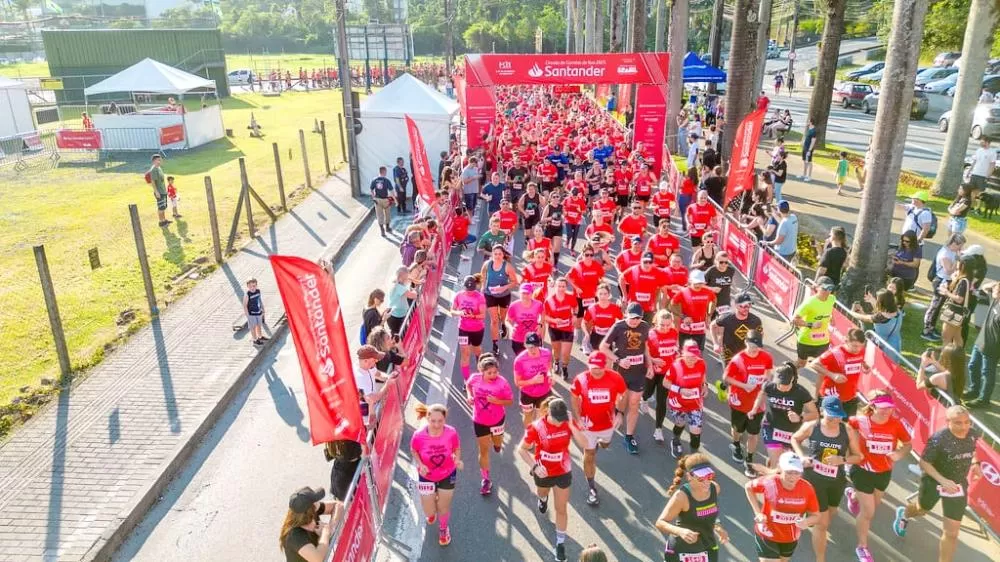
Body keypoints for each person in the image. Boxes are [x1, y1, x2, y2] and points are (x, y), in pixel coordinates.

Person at [892, 405, 983, 562]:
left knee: (952, 533)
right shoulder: (939, 439)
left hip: (957, 486)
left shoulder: (972, 434)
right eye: (958, 423)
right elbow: (924, 463)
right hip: (933, 481)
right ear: (948, 422)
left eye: (967, 422)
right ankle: (905, 513)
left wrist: (975, 464)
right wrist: (942, 480)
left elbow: (974, 449)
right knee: (921, 510)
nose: (964, 427)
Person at [790, 396, 863, 562]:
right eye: (831, 417)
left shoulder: (847, 430)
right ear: (822, 412)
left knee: (832, 511)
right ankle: (820, 558)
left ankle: (807, 518)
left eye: (838, 416)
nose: (835, 420)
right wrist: (801, 456)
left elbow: (858, 456)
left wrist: (842, 460)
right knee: (822, 524)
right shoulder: (812, 426)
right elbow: (795, 438)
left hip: (836, 480)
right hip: (814, 479)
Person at [844, 390, 912, 562]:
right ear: (872, 406)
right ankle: (862, 547)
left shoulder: (896, 424)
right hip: (862, 471)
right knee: (868, 513)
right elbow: (842, 431)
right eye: (882, 408)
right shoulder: (858, 421)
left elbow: (908, 444)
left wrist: (899, 454)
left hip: (884, 472)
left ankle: (853, 496)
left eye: (889, 408)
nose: (886, 411)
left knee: (873, 505)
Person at [518, 397, 583, 562]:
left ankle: (560, 544)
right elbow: (522, 449)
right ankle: (542, 498)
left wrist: (572, 426)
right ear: (547, 413)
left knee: (561, 509)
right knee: (542, 493)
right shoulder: (536, 427)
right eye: (556, 420)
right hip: (543, 473)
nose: (559, 424)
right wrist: (534, 467)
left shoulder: (566, 423)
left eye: (562, 420)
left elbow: (585, 443)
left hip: (563, 471)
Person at [570, 351, 627, 506]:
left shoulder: (615, 378)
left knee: (605, 444)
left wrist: (620, 413)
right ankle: (592, 487)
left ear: (606, 366)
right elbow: (574, 396)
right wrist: (577, 417)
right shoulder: (581, 379)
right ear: (588, 365)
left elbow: (623, 394)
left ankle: (600, 444)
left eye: (599, 368)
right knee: (589, 454)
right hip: (587, 425)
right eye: (593, 367)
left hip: (607, 424)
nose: (596, 370)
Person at [744, 452, 820, 562]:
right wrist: (758, 513)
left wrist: (806, 522)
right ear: (780, 468)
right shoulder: (769, 482)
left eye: (797, 472)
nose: (793, 477)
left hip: (790, 537)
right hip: (767, 533)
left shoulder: (807, 488)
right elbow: (748, 487)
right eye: (789, 472)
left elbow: (816, 516)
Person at [600, 302, 654, 455]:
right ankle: (618, 413)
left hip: (638, 372)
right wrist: (618, 360)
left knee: (634, 402)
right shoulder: (618, 326)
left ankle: (629, 436)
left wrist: (649, 366)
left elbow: (645, 347)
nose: (634, 321)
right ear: (626, 315)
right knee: (621, 399)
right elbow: (603, 347)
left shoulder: (644, 327)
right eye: (631, 318)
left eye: (637, 318)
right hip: (621, 372)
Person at [655, 454, 729, 562]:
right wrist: (681, 532)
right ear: (689, 477)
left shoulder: (715, 488)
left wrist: (718, 526)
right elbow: (660, 523)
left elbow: (712, 511)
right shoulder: (682, 496)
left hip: (707, 546)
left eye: (709, 476)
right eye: (701, 478)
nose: (706, 481)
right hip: (681, 550)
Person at [410, 403, 462, 546]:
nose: (437, 424)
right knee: (429, 512)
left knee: (443, 506)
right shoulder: (418, 435)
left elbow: (457, 448)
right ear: (427, 418)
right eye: (433, 421)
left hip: (447, 473)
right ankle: (432, 512)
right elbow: (414, 450)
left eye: (440, 421)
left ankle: (443, 529)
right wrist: (421, 464)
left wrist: (457, 460)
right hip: (426, 476)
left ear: (445, 419)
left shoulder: (451, 432)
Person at [751, 362, 818, 471]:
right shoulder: (769, 386)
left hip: (791, 433)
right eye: (780, 384)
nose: (782, 387)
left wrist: (800, 418)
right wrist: (754, 410)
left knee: (784, 462)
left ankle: (772, 463)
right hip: (771, 427)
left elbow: (815, 414)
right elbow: (761, 395)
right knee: (777, 465)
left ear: (792, 380)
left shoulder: (801, 392)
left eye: (786, 384)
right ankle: (772, 478)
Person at [725, 330, 773, 476]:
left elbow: (769, 371)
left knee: (753, 433)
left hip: (757, 404)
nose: (755, 349)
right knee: (737, 429)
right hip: (739, 401)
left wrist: (767, 379)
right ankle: (736, 444)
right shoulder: (738, 359)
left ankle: (749, 459)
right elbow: (726, 378)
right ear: (746, 342)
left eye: (757, 346)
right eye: (752, 345)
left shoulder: (766, 356)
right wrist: (744, 385)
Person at [466, 354, 513, 497]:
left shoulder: (502, 383)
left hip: (497, 419)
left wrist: (496, 401)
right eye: (489, 373)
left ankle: (498, 443)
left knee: (497, 443)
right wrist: (469, 396)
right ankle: (486, 480)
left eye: (495, 372)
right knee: (484, 450)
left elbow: (509, 401)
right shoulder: (474, 379)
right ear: (482, 371)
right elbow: (468, 385)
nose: (493, 375)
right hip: (480, 421)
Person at [808, 328, 869, 416]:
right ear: (846, 341)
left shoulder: (861, 351)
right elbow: (814, 364)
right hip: (832, 396)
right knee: (829, 425)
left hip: (850, 395)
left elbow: (860, 360)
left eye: (861, 346)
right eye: (855, 346)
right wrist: (832, 375)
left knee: (848, 426)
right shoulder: (835, 353)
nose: (858, 349)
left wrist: (864, 366)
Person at [666, 339, 709, 459]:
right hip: (677, 402)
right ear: (683, 354)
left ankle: (694, 455)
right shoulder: (676, 365)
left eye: (695, 356)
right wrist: (680, 390)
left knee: (696, 430)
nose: (692, 360)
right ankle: (675, 440)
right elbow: (665, 383)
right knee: (680, 423)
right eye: (689, 357)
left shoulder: (701, 363)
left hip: (695, 402)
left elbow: (703, 376)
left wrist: (705, 386)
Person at [279, 487, 344, 562]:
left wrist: (331, 526)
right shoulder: (293, 536)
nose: (318, 502)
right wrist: (325, 533)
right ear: (309, 510)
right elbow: (318, 558)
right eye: (315, 501)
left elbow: (338, 506)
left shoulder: (312, 511)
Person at [922, 233, 967, 342]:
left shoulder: (950, 251)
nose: (961, 248)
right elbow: (948, 270)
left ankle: (931, 327)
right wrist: (957, 260)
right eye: (960, 245)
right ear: (954, 243)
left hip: (946, 281)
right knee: (935, 306)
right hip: (941, 282)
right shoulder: (945, 254)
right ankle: (926, 330)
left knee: (938, 306)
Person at [645, 310, 679, 442]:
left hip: (667, 373)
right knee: (647, 392)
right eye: (662, 325)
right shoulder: (650, 334)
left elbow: (675, 349)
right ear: (655, 323)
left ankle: (658, 429)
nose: (665, 328)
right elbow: (644, 352)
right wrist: (653, 361)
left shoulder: (674, 332)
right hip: (652, 371)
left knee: (661, 401)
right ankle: (644, 400)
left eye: (668, 325)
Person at [965, 281, 999, 408]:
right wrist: (996, 284)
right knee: (973, 365)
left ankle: (984, 399)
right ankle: (974, 390)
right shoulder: (994, 299)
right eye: (995, 290)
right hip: (980, 341)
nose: (995, 292)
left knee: (987, 373)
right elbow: (985, 287)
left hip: (992, 347)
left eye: (998, 291)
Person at [480, 244, 519, 355]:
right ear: (492, 254)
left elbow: (514, 282)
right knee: (494, 320)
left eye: (499, 254)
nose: (497, 256)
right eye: (495, 254)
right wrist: (483, 285)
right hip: (490, 294)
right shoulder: (487, 264)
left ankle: (503, 325)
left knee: (502, 318)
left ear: (503, 255)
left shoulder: (507, 267)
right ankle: (495, 345)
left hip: (504, 296)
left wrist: (503, 288)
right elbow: (482, 274)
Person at [792, 276, 837, 368]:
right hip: (806, 341)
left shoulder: (832, 299)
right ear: (817, 287)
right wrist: (810, 324)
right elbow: (794, 320)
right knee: (801, 364)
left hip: (823, 341)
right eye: (825, 288)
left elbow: (830, 307)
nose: (828, 291)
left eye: (830, 288)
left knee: (823, 366)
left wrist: (832, 317)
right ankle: (786, 373)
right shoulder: (809, 303)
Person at [450, 275, 487, 381]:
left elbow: (483, 315)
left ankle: (482, 373)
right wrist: (460, 312)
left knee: (477, 351)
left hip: (477, 329)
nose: (469, 292)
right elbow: (452, 311)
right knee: (464, 353)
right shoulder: (458, 296)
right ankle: (467, 380)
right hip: (463, 329)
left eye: (471, 290)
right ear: (464, 287)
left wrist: (473, 316)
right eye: (467, 290)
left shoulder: (480, 297)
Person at [513, 333, 554, 426]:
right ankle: (529, 435)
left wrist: (550, 375)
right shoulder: (519, 360)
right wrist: (533, 381)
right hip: (527, 394)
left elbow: (549, 366)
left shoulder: (546, 353)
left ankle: (538, 436)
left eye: (535, 346)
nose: (533, 349)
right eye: (530, 347)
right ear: (525, 345)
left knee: (542, 417)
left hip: (544, 392)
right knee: (528, 417)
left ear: (539, 344)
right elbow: (517, 382)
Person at [582, 283, 623, 356]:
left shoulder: (615, 308)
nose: (603, 296)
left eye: (605, 294)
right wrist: (586, 334)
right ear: (596, 294)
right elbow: (584, 322)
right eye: (600, 294)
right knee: (598, 358)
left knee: (608, 359)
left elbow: (622, 321)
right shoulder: (592, 308)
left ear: (609, 295)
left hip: (609, 337)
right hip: (596, 336)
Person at [506, 284, 544, 356]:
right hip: (518, 337)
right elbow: (507, 320)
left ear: (532, 293)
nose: (525, 296)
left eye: (528, 293)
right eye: (523, 293)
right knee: (522, 359)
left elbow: (542, 314)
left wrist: (540, 324)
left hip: (533, 337)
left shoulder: (538, 304)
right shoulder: (514, 306)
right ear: (519, 293)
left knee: (534, 358)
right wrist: (511, 328)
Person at [386, 266, 417, 336]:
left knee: (402, 335)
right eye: (406, 278)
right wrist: (415, 291)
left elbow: (409, 280)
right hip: (396, 317)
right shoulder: (399, 287)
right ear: (402, 278)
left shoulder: (395, 282)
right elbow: (413, 295)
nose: (407, 279)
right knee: (400, 337)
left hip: (396, 315)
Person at [370, 166, 396, 236]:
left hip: (377, 199)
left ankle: (382, 230)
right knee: (387, 214)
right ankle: (387, 227)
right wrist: (395, 200)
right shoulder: (386, 180)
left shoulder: (374, 180)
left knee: (379, 215)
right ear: (384, 172)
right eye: (386, 172)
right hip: (385, 199)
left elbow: (371, 189)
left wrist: (373, 197)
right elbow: (391, 191)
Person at [147, 154, 171, 227]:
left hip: (163, 191)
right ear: (154, 161)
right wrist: (156, 192)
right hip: (159, 192)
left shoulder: (159, 168)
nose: (160, 161)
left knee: (163, 206)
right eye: (158, 160)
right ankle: (161, 222)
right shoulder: (153, 170)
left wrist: (166, 189)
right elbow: (153, 181)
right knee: (160, 207)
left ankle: (164, 220)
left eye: (160, 160)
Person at [244, 277, 267, 346]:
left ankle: (260, 337)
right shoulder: (247, 294)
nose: (252, 288)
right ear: (247, 286)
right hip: (251, 314)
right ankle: (255, 339)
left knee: (259, 325)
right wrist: (248, 315)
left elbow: (259, 299)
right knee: (253, 327)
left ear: (256, 285)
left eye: (254, 286)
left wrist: (262, 308)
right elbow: (245, 305)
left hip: (258, 312)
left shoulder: (258, 291)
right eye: (250, 286)